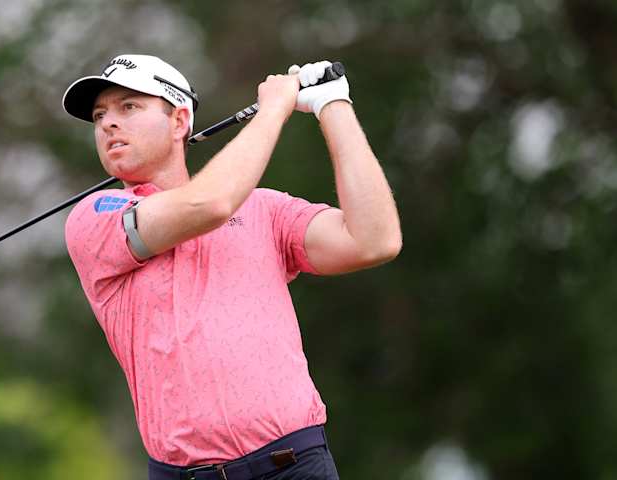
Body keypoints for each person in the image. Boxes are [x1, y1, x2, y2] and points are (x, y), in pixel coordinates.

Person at [62, 54, 401, 480]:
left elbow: (375, 239)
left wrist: (334, 106)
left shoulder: (265, 209)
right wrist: (274, 109)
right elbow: (210, 204)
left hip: (292, 465)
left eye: (129, 107)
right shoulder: (95, 216)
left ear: (179, 120)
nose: (108, 124)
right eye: (99, 116)